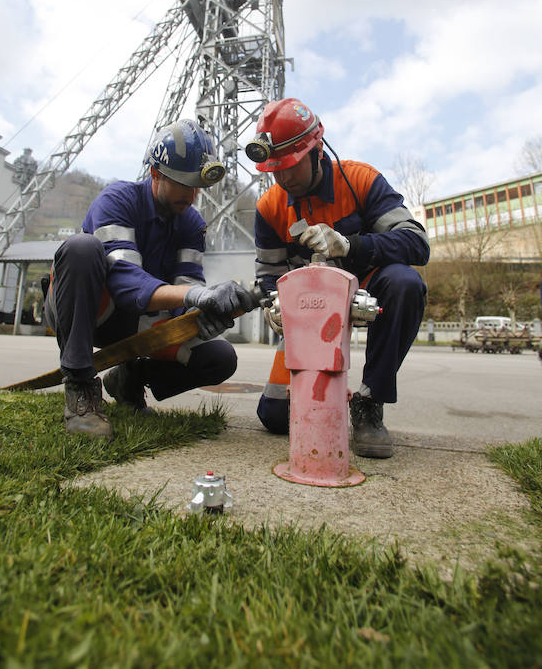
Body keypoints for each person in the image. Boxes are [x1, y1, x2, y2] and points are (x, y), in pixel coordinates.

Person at [44, 119, 257, 439]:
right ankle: (80, 387)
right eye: (183, 183)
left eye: (197, 185)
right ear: (156, 173)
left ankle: (129, 378)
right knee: (82, 248)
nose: (192, 194)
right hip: (89, 311)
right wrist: (194, 296)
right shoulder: (117, 199)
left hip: (136, 323)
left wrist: (206, 313)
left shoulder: (191, 223)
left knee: (219, 358)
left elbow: (186, 289)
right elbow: (124, 281)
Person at [245, 98, 429, 458]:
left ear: (316, 151)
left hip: (370, 291)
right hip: (308, 309)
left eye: (290, 167)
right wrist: (274, 303)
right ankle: (316, 389)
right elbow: (269, 274)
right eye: (274, 170)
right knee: (275, 418)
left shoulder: (361, 180)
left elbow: (416, 242)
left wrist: (350, 245)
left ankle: (369, 401)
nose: (281, 178)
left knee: (405, 283)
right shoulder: (269, 207)